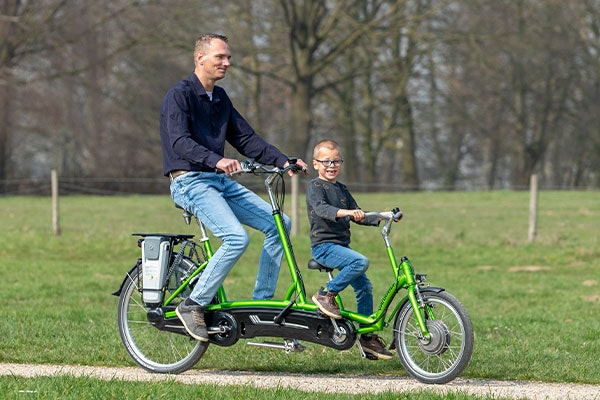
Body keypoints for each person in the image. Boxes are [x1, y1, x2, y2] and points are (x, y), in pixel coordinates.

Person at [159, 33, 308, 342]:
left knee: (280, 223)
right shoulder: (180, 95)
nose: (227, 62)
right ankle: (193, 304)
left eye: (228, 58)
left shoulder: (220, 98)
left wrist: (283, 161)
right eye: (220, 57)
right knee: (236, 238)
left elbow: (246, 139)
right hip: (189, 181)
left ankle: (262, 307)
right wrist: (216, 160)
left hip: (217, 181)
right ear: (200, 58)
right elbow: (179, 141)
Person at [306, 139, 393, 360]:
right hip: (324, 247)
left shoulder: (342, 189)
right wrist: (346, 213)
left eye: (336, 161)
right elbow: (323, 209)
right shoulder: (315, 187)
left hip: (341, 248)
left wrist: (380, 217)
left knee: (365, 288)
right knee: (360, 262)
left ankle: (366, 338)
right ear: (316, 164)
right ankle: (326, 294)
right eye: (326, 161)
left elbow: (358, 213)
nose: (331, 165)